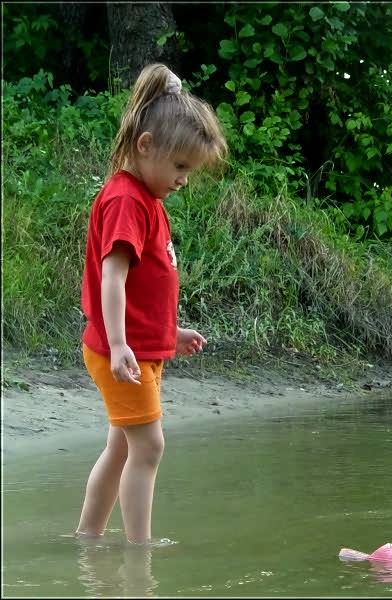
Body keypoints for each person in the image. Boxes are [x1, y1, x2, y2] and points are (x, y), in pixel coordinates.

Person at [75, 63, 227, 545]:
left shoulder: (147, 200)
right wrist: (120, 344)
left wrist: (168, 333)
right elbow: (112, 277)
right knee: (150, 447)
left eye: (190, 170)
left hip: (140, 348)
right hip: (121, 351)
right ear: (145, 146)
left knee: (122, 447)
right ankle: (138, 551)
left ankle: (88, 537)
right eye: (180, 166)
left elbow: (148, 286)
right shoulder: (126, 200)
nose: (184, 179)